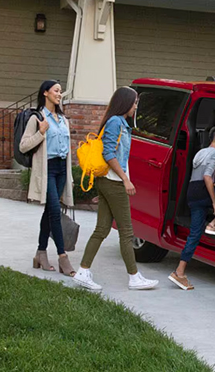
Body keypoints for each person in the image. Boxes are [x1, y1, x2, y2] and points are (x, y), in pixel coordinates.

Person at [73, 86, 159, 291]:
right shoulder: (115, 123)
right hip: (113, 182)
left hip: (108, 181)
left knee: (102, 229)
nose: (136, 106)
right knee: (127, 232)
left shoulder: (119, 123)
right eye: (135, 102)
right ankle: (134, 277)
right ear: (125, 103)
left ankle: (83, 272)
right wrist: (125, 179)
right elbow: (109, 153)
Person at [20, 80, 75, 277]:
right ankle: (62, 256)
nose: (59, 94)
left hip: (61, 169)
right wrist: (41, 132)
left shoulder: (63, 119)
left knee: (51, 211)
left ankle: (40, 253)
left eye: (60, 91)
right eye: (56, 91)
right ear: (45, 93)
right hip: (47, 169)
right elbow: (24, 146)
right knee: (54, 212)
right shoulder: (37, 118)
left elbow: (67, 151)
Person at [169, 126, 215, 290]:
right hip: (203, 191)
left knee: (194, 234)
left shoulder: (201, 152)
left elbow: (201, 178)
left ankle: (179, 272)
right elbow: (207, 176)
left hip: (192, 192)